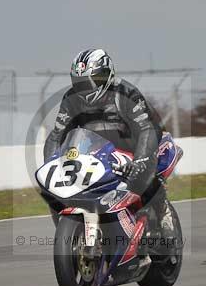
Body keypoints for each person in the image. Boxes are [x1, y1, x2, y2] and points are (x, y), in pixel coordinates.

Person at [43, 48, 176, 236]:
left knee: (143, 175)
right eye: (79, 83)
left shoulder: (126, 93)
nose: (85, 88)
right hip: (95, 154)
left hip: (132, 149)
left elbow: (146, 128)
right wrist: (51, 165)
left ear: (106, 76)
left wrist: (140, 160)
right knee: (58, 192)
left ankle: (162, 212)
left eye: (91, 82)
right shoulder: (71, 100)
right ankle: (78, 233)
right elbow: (57, 135)